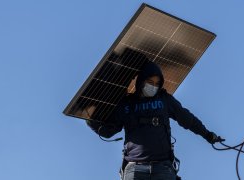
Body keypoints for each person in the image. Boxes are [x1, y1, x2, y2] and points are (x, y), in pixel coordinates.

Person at [85, 61, 222, 180]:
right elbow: (108, 131)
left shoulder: (164, 100)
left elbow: (188, 120)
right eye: (150, 82)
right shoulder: (126, 104)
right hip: (135, 170)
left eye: (157, 84)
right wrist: (89, 118)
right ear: (141, 81)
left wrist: (207, 134)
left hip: (163, 169)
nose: (153, 86)